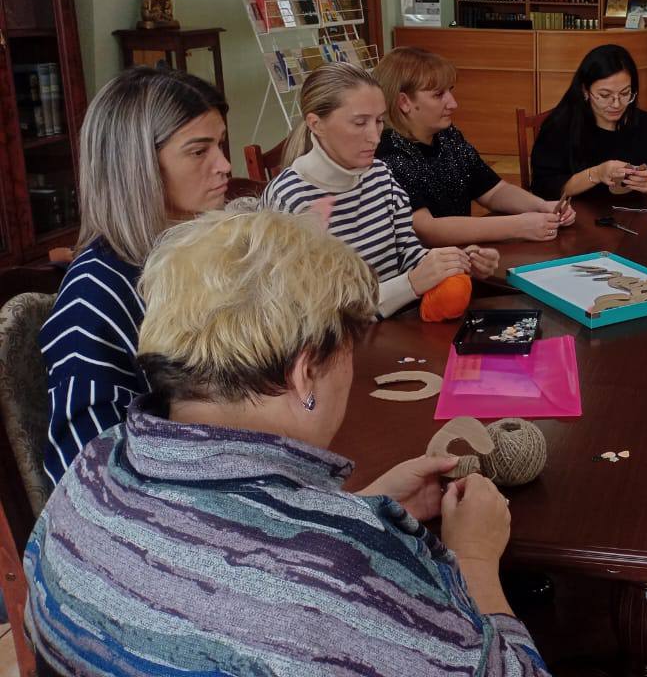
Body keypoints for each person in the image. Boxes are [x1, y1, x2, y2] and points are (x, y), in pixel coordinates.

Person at [24, 210, 549, 676]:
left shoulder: (93, 464)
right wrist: (475, 559)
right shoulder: (345, 579)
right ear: (304, 374)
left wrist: (353, 508)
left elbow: (216, 552)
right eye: (348, 349)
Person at [39, 66, 229, 486]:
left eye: (220, 145)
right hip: (150, 528)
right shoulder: (94, 303)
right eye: (200, 151)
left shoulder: (195, 260)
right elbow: (89, 480)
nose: (224, 165)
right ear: (137, 164)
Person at [264, 63, 499, 318]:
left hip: (394, 328)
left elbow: (407, 252)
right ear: (316, 124)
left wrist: (453, 262)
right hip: (340, 345)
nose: (375, 137)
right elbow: (312, 312)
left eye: (378, 121)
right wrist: (409, 284)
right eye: (359, 123)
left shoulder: (380, 174)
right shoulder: (288, 199)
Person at [374, 47, 576, 244]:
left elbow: (494, 191)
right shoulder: (389, 153)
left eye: (449, 91)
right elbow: (427, 230)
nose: (453, 104)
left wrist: (542, 206)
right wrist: (517, 226)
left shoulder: (447, 136)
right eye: (438, 95)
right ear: (404, 102)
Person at [530, 44, 647, 200]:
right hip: (576, 218)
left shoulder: (644, 124)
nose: (617, 104)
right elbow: (544, 188)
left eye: (625, 93)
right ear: (585, 91)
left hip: (631, 217)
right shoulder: (559, 127)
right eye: (605, 95)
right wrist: (597, 174)